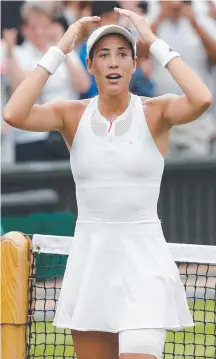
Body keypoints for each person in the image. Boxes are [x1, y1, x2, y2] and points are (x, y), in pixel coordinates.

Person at [3, 8, 212, 359]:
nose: (113, 62)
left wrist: (153, 40)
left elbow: (202, 98)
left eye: (121, 54)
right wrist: (62, 46)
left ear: (133, 64)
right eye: (103, 54)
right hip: (91, 265)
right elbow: (14, 113)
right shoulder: (71, 114)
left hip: (145, 265)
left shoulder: (156, 111)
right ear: (91, 65)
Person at [149, 1, 216, 157]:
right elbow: (137, 55)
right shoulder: (151, 22)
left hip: (198, 115)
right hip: (163, 114)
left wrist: (194, 24)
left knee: (198, 170)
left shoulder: (204, 22)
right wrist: (159, 19)